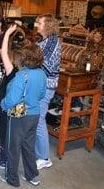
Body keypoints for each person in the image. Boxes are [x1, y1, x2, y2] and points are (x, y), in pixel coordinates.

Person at [0, 44, 46, 187]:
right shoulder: (42, 74)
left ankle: (12, 178)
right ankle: (32, 175)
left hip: (19, 116)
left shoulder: (21, 76)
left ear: (25, 58)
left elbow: (12, 99)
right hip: (34, 114)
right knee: (28, 146)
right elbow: (42, 94)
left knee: (13, 147)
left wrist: (2, 104)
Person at [0, 24, 25, 169]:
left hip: (7, 107)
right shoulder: (26, 70)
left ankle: (4, 160)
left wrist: (7, 34)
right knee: (13, 134)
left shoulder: (12, 71)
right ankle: (7, 154)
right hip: (19, 107)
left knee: (5, 134)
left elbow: (3, 52)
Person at [34, 14, 61, 170]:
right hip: (39, 85)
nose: (37, 24)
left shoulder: (52, 41)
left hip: (46, 86)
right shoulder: (42, 41)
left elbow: (43, 63)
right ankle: (38, 151)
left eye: (40, 22)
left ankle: (44, 157)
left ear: (48, 25)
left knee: (39, 120)